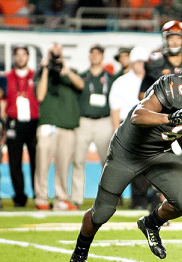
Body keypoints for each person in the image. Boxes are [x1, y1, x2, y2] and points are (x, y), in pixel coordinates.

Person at [66, 47, 182, 262]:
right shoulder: (171, 87)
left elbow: (181, 127)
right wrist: (169, 117)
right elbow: (138, 115)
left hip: (158, 153)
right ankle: (80, 253)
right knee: (102, 213)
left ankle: (151, 224)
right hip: (127, 151)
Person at [34, 43, 84, 211]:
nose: (55, 58)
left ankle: (61, 199)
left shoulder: (70, 72)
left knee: (64, 165)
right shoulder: (41, 74)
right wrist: (46, 68)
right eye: (53, 55)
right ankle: (41, 198)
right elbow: (40, 95)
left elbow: (81, 85)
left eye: (58, 54)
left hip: (67, 126)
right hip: (47, 125)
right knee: (42, 164)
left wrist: (66, 69)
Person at [71, 45, 117, 208]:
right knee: (78, 161)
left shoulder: (111, 78)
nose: (95, 56)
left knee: (107, 162)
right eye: (92, 53)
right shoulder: (82, 76)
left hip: (104, 121)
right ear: (89, 56)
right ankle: (77, 199)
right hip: (84, 121)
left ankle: (109, 198)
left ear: (103, 56)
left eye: (98, 53)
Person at [109, 46, 150, 210]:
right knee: (134, 166)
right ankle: (138, 200)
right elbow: (115, 109)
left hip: (151, 126)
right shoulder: (121, 82)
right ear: (132, 63)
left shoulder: (154, 80)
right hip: (129, 126)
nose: (140, 65)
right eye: (137, 62)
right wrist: (115, 132)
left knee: (152, 164)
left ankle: (152, 199)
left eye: (143, 62)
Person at [2, 45, 39, 207]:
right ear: (14, 57)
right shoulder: (6, 77)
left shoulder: (36, 76)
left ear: (28, 57)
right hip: (13, 122)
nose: (21, 58)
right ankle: (19, 195)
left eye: (24, 55)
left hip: (33, 122)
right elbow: (2, 101)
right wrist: (3, 125)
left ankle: (38, 194)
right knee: (14, 162)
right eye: (18, 55)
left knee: (37, 161)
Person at [139, 21, 182, 97]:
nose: (175, 42)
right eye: (171, 38)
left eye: (178, 38)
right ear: (165, 40)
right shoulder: (155, 62)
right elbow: (142, 95)